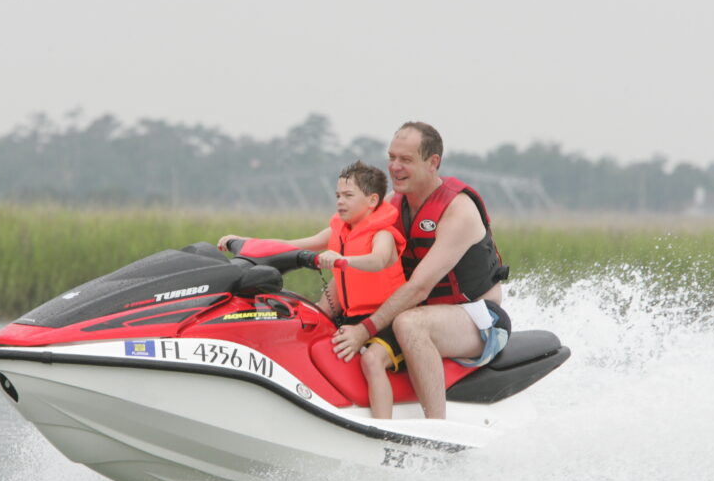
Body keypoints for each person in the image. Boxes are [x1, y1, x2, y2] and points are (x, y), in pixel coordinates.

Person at [330, 122, 511, 419]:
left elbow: (419, 287)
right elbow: (350, 251)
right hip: (423, 311)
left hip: (479, 319)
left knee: (409, 324)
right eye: (392, 157)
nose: (394, 167)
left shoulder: (458, 210)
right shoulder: (392, 205)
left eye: (406, 159)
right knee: (353, 325)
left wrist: (364, 330)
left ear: (432, 162)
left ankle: (436, 429)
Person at [218, 161, 407, 418]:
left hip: (389, 320)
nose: (340, 201)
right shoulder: (339, 230)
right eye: (338, 196)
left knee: (372, 360)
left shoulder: (382, 234)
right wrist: (245, 242)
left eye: (348, 196)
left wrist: (343, 260)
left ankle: (384, 429)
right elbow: (292, 244)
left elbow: (378, 260)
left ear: (372, 200)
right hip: (353, 317)